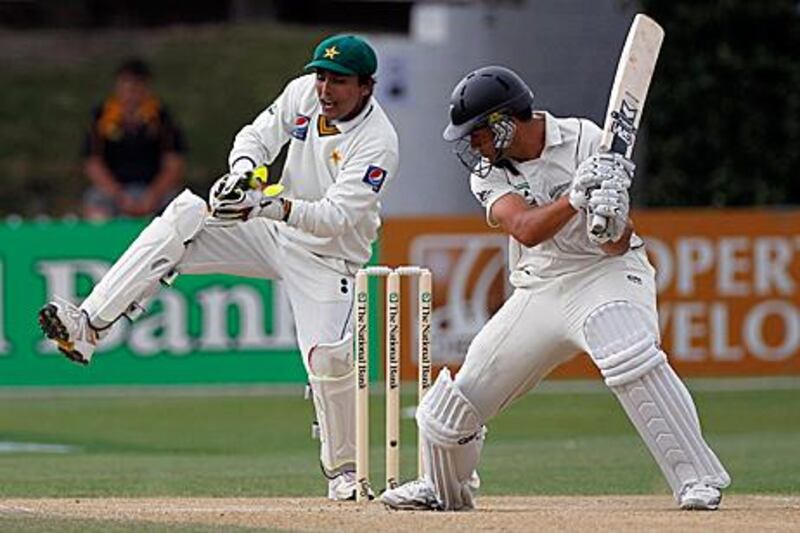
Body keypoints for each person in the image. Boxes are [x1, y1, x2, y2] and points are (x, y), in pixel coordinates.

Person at [38, 35, 399, 501]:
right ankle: (89, 326)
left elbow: (334, 218)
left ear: (366, 87)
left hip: (330, 258)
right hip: (271, 233)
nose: (326, 89)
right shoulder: (304, 93)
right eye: (323, 77)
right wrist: (244, 175)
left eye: (340, 82)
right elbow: (254, 136)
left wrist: (264, 205)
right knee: (185, 214)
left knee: (330, 359)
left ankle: (344, 472)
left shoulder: (378, 143)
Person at [380, 66, 730, 511]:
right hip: (540, 288)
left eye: (477, 133)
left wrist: (612, 213)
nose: (472, 145)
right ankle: (442, 486)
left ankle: (698, 479)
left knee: (626, 350)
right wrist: (575, 198)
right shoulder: (488, 175)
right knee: (447, 413)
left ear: (504, 122)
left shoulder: (588, 141)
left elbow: (616, 243)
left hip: (606, 273)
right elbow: (525, 229)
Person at [82, 58, 186, 219]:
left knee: (179, 207)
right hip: (115, 191)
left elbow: (173, 163)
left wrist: (153, 195)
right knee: (95, 204)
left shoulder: (161, 117)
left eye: (137, 86)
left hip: (153, 190)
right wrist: (120, 196)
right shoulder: (102, 116)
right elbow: (93, 163)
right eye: (126, 85)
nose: (131, 93)